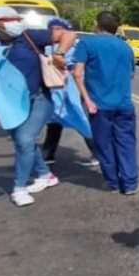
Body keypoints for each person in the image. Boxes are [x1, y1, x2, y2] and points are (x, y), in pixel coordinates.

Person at [0, 6, 77, 206]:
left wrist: (59, 53)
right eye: (6, 19)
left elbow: (68, 34)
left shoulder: (30, 37)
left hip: (40, 98)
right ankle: (45, 174)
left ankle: (19, 187)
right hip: (12, 104)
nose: (13, 22)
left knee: (25, 139)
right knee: (21, 141)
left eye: (15, 17)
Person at [73, 11, 139, 195]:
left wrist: (87, 99)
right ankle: (130, 183)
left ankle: (113, 182)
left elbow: (77, 73)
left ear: (96, 24)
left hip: (99, 105)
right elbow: (131, 74)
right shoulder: (125, 47)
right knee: (126, 143)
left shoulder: (87, 43)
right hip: (124, 104)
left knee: (104, 144)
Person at [41, 17, 99, 167]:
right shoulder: (46, 47)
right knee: (54, 123)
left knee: (80, 119)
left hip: (72, 91)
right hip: (55, 91)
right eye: (51, 29)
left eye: (57, 29)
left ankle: (99, 152)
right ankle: (47, 155)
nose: (53, 32)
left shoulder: (75, 49)